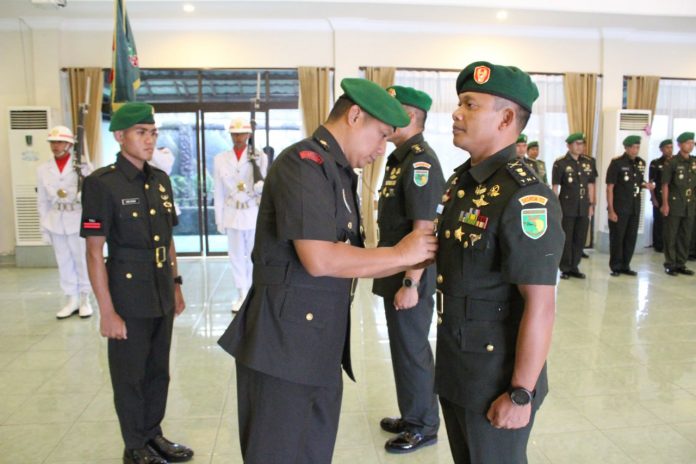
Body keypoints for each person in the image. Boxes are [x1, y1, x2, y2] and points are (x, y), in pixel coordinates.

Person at [217, 78, 438, 464]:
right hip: (283, 347)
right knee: (279, 452)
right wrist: (401, 254)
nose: (381, 150)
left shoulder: (337, 172)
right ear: (355, 115)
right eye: (380, 136)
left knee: (312, 451)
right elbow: (320, 258)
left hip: (318, 343)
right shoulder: (304, 165)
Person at [436, 61, 564, 464]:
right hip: (458, 361)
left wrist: (520, 393)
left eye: (470, 105)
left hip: (496, 376)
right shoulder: (463, 183)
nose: (457, 113)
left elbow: (540, 306)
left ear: (507, 118)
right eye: (459, 103)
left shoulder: (526, 197)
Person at [81, 102, 193, 464]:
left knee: (158, 369)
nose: (149, 140)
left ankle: (153, 435)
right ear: (119, 136)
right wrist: (107, 311)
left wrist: (175, 284)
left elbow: (168, 238)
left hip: (160, 287)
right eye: (141, 133)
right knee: (130, 375)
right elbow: (95, 252)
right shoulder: (102, 184)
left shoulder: (159, 180)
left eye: (153, 132)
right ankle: (134, 446)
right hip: (128, 293)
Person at [372, 85, 444, 453]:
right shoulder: (399, 158)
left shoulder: (421, 162)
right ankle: (412, 413)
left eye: (394, 110)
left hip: (409, 274)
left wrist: (410, 282)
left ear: (412, 117)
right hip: (396, 268)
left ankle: (424, 426)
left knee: (413, 348)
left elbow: (424, 228)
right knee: (402, 348)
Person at [37, 125, 94, 319]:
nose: (55, 146)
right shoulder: (43, 169)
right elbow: (42, 201)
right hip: (55, 220)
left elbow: (94, 195)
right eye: (53, 142)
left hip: (77, 218)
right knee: (63, 261)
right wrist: (43, 228)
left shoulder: (83, 167)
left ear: (70, 145)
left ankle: (85, 298)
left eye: (60, 142)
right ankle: (71, 299)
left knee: (81, 261)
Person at [213, 119, 268, 310]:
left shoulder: (259, 156)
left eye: (241, 133)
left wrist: (260, 185)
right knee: (235, 255)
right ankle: (241, 292)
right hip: (231, 212)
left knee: (254, 254)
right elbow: (218, 190)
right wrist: (219, 219)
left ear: (249, 135)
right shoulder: (221, 158)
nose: (238, 137)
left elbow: (263, 187)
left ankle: (253, 290)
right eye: (234, 134)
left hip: (251, 212)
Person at [606, 135, 653, 276]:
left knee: (631, 237)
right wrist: (611, 210)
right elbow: (610, 188)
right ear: (626, 148)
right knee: (618, 238)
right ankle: (616, 266)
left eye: (637, 147)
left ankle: (626, 265)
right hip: (620, 207)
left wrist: (646, 185)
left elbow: (637, 182)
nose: (635, 150)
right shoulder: (617, 163)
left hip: (634, 207)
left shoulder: (640, 163)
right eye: (632, 147)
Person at [552, 132, 597, 279]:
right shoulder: (561, 163)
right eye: (577, 144)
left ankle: (574, 266)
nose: (580, 147)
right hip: (567, 206)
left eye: (582, 144)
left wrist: (592, 204)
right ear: (569, 145)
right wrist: (555, 207)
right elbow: (555, 187)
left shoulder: (589, 162)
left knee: (580, 238)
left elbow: (591, 184)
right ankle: (565, 267)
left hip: (583, 206)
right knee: (567, 238)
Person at [661, 131, 696, 276]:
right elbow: (665, 185)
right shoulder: (672, 162)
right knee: (671, 234)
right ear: (680, 145)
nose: (691, 145)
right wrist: (665, 204)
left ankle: (681, 263)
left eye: (692, 143)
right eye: (688, 143)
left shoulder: (694, 162)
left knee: (685, 235)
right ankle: (670, 263)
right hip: (675, 203)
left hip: (690, 204)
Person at [649, 139, 673, 252]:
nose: (670, 149)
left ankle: (669, 245)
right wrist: (653, 198)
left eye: (671, 147)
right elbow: (651, 182)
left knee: (671, 223)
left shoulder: (675, 162)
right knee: (659, 221)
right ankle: (658, 245)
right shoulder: (656, 163)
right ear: (661, 149)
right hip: (658, 195)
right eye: (667, 147)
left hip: (673, 197)